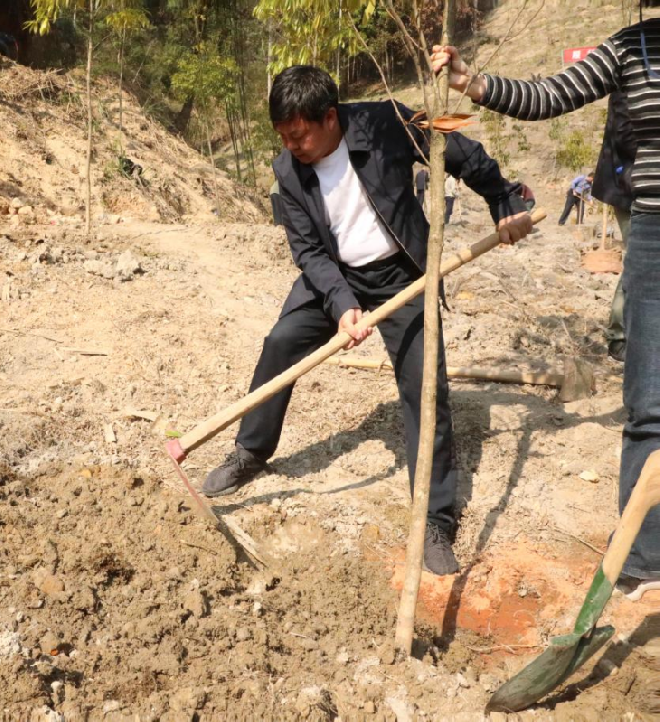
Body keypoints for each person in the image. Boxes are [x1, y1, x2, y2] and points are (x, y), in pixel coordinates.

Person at [201, 65, 532, 576]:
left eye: (299, 134)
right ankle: (251, 451)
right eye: (283, 137)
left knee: (425, 387)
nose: (292, 145)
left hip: (403, 274)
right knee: (281, 341)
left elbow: (458, 149)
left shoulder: (387, 122)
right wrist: (340, 304)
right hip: (336, 275)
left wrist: (503, 200)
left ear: (329, 117)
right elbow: (308, 251)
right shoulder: (288, 171)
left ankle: (435, 518)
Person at [432, 1, 660, 595]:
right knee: (649, 400)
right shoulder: (631, 48)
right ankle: (643, 554)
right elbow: (550, 94)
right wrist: (472, 82)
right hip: (655, 235)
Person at [592, 91, 636, 362]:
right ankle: (618, 336)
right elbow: (626, 134)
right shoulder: (630, 74)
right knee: (638, 262)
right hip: (630, 190)